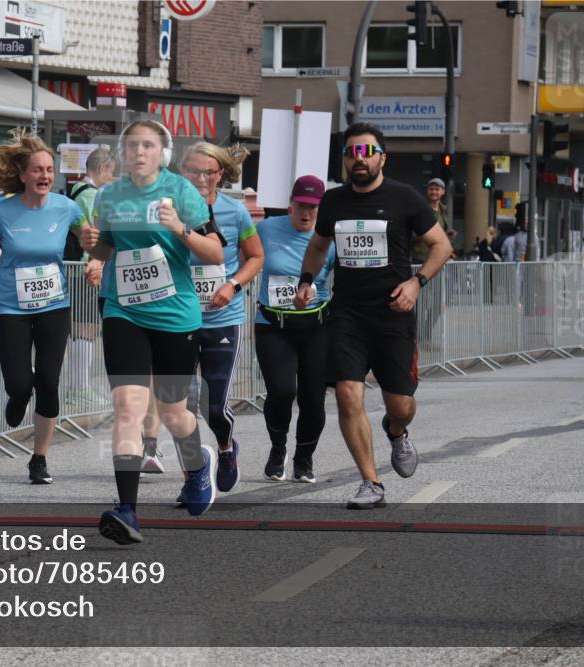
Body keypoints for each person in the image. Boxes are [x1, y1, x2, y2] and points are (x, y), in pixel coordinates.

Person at [295, 122, 452, 509]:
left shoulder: (404, 198)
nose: (358, 159)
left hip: (393, 313)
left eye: (366, 152)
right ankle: (371, 482)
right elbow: (318, 246)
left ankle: (396, 431)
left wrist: (416, 283)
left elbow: (441, 246)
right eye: (351, 152)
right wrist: (306, 281)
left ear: (383, 157)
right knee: (348, 394)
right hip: (347, 313)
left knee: (400, 405)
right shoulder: (334, 201)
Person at [81, 120, 224, 544]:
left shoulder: (181, 192)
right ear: (123, 152)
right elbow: (106, 245)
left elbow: (215, 252)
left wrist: (179, 227)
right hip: (124, 311)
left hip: (175, 317)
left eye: (148, 145)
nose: (139, 152)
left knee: (172, 412)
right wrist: (93, 250)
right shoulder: (109, 195)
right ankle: (127, 509)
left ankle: (197, 465)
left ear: (162, 152)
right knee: (127, 406)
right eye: (132, 146)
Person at [0, 130, 85, 484]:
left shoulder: (67, 208)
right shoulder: (3, 212)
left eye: (49, 170)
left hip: (54, 305)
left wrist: (97, 257)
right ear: (23, 175)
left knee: (48, 381)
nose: (45, 176)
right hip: (10, 308)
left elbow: (92, 241)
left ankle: (39, 458)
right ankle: (18, 397)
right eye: (37, 170)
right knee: (20, 385)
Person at [180, 141, 264, 494]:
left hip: (222, 319)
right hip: (178, 320)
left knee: (213, 407)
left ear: (221, 174)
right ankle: (192, 479)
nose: (201, 178)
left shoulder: (235, 212)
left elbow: (255, 257)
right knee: (181, 407)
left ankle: (226, 448)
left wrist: (232, 284)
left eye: (208, 172)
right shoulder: (170, 210)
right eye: (193, 171)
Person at [255, 175, 335, 484]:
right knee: (282, 391)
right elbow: (244, 256)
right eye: (301, 206)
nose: (306, 213)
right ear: (290, 206)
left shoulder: (330, 237)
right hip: (273, 325)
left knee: (313, 398)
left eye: (313, 207)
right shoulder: (266, 229)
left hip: (316, 327)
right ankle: (278, 448)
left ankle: (304, 459)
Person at [66, 146, 118, 408]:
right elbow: (97, 233)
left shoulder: (75, 191)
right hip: (87, 267)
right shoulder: (91, 195)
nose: (111, 178)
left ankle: (79, 387)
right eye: (110, 172)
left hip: (78, 267)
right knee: (85, 328)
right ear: (101, 169)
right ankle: (80, 388)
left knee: (79, 329)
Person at [411, 177, 456, 263]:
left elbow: (442, 232)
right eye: (431, 189)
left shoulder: (444, 210)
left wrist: (448, 236)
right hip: (422, 258)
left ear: (443, 192)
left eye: (437, 189)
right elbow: (412, 234)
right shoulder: (420, 209)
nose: (434, 192)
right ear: (427, 191)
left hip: (439, 257)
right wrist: (436, 236)